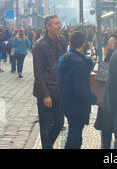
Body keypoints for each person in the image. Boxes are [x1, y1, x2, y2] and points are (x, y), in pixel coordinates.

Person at [32, 14, 67, 149]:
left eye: (59, 23)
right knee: (45, 126)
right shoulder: (40, 45)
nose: (59, 26)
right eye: (56, 24)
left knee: (59, 123)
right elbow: (38, 73)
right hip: (45, 91)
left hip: (59, 90)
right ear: (48, 27)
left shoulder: (61, 40)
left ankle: (47, 146)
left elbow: (65, 62)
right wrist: (46, 95)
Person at [59, 31, 98, 149]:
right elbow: (80, 89)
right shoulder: (80, 64)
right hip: (77, 105)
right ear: (83, 44)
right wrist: (94, 99)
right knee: (74, 137)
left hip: (67, 102)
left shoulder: (65, 59)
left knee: (74, 134)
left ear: (70, 44)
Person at [94, 34, 117, 149]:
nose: (108, 44)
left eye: (111, 42)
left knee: (110, 129)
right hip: (107, 98)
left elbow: (102, 75)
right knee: (108, 129)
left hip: (111, 98)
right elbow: (102, 75)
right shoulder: (112, 55)